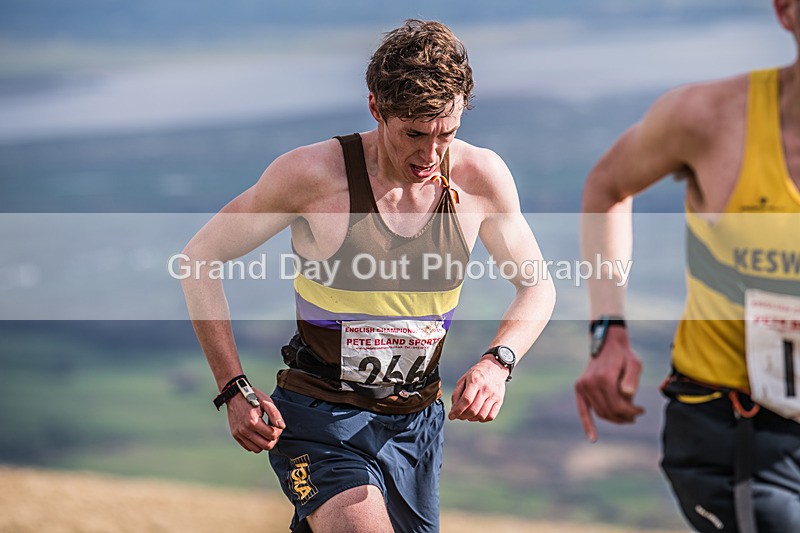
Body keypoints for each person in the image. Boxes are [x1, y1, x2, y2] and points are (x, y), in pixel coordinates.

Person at [181, 19, 555, 533]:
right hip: (319, 416)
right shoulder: (313, 177)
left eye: (447, 133)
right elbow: (199, 259)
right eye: (414, 134)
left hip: (416, 424)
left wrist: (499, 362)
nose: (430, 155)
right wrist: (232, 386)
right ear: (377, 108)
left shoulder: (481, 178)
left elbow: (537, 285)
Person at [574, 1, 800, 531]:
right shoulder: (712, 119)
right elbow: (607, 185)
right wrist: (608, 329)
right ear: (786, 12)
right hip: (735, 430)